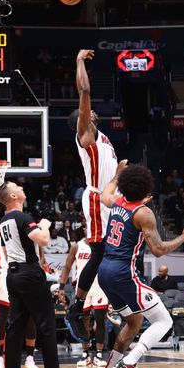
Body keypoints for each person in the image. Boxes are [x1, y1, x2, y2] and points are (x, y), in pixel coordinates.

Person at [95, 163, 184, 368]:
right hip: (124, 273)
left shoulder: (117, 202)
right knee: (164, 321)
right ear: (147, 193)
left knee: (134, 321)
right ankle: (129, 363)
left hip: (104, 271)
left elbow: (104, 195)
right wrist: (183, 236)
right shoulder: (143, 213)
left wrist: (116, 175)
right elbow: (159, 250)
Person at [0, 181, 73, 368]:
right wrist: (45, 225)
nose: (22, 188)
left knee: (15, 328)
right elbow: (44, 239)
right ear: (12, 196)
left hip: (13, 275)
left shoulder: (3, 221)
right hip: (29, 274)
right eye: (17, 187)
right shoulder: (22, 218)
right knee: (46, 325)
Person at [65, 49, 120, 343]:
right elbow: (84, 89)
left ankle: (113, 299)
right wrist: (79, 61)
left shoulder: (104, 139)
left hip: (110, 197)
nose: (93, 111)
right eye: (87, 113)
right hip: (98, 200)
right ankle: (77, 307)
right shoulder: (86, 136)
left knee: (114, 249)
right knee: (99, 251)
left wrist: (121, 172)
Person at [0, 225, 39, 368]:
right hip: (6, 274)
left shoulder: (27, 228)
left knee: (29, 319)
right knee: (2, 319)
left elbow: (39, 250)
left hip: (27, 273)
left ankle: (29, 358)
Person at [59, 238, 108, 368]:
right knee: (82, 321)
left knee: (100, 321)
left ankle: (99, 354)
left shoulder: (103, 245)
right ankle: (85, 353)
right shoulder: (76, 246)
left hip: (100, 287)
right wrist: (62, 287)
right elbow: (68, 267)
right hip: (82, 288)